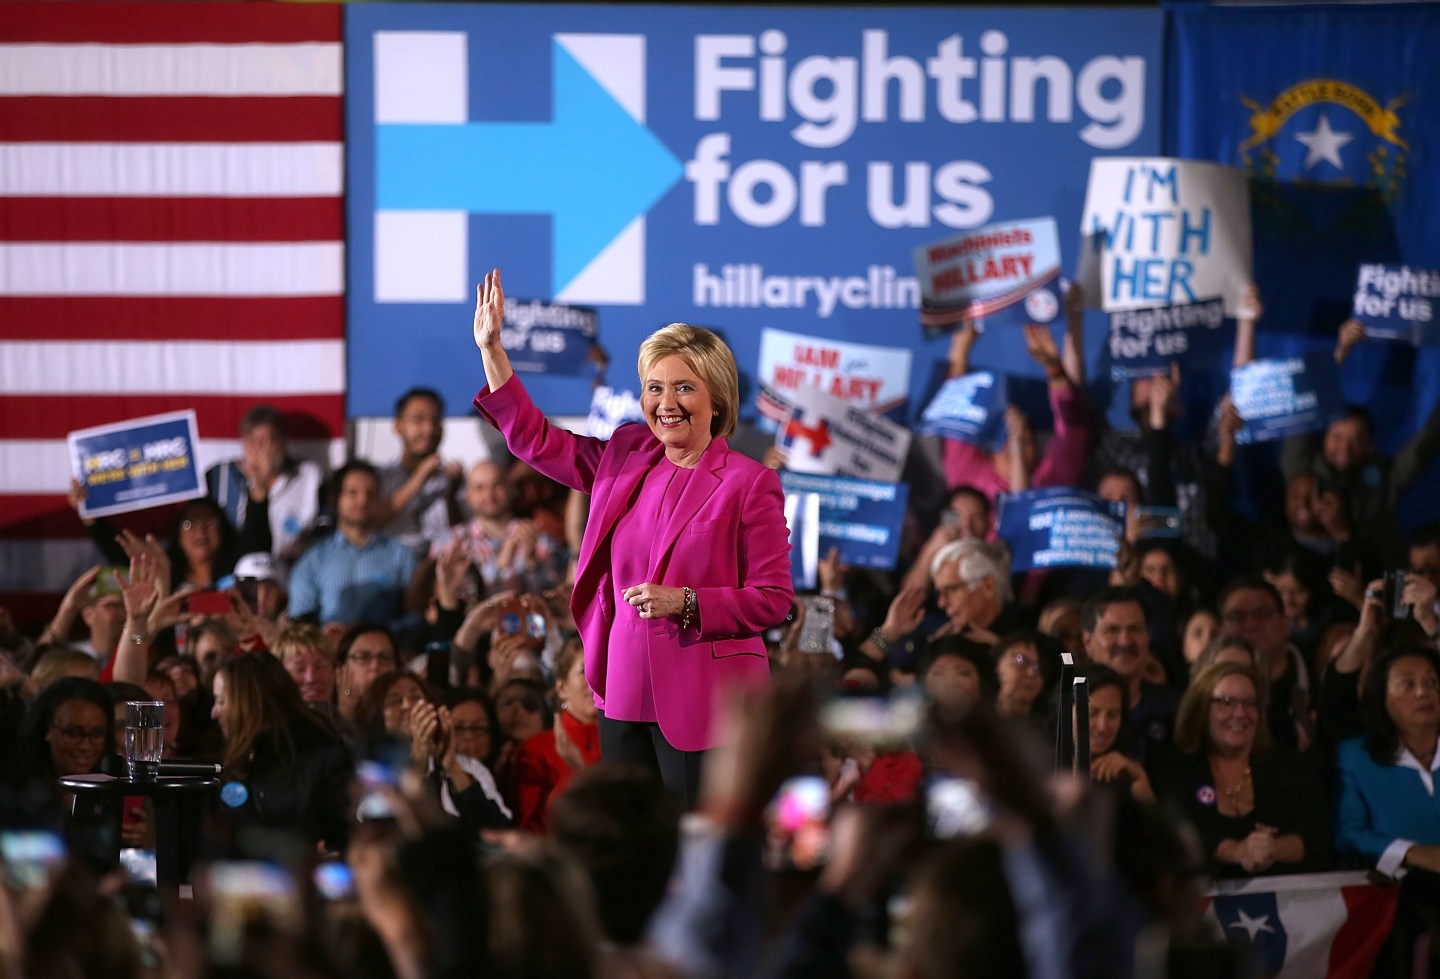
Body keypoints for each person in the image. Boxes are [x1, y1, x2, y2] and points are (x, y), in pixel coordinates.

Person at [472, 268, 793, 805]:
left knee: (692, 847)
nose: (665, 402)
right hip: (622, 689)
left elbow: (774, 600)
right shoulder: (626, 455)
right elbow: (537, 439)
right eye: (654, 387)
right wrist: (492, 350)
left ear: (718, 400)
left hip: (706, 701)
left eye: (684, 387)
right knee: (631, 842)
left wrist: (687, 601)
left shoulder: (749, 482)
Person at [1153, 662, 1330, 877]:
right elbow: (1176, 839)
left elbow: (1319, 835)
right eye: (1226, 702)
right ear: (1202, 709)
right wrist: (1237, 852)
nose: (1240, 713)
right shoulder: (1177, 770)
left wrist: (1275, 849)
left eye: (1249, 703)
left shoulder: (1286, 765)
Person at [1334, 645, 1440, 971]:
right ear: (1382, 698)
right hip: (1401, 903)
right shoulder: (1356, 757)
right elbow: (1348, 834)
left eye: (1433, 682)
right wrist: (1413, 852)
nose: (1424, 692)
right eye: (1407, 684)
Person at [209, 652, 352, 852]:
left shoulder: (325, 756)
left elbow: (343, 838)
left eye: (222, 701)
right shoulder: (230, 759)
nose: (214, 712)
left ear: (249, 703)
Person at [288, 461, 417, 631]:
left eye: (371, 494)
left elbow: (416, 614)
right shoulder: (313, 560)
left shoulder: (400, 555)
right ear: (335, 500)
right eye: (352, 493)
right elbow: (300, 621)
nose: (362, 500)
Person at [205, 404, 325, 564]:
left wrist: (306, 542)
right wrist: (259, 481)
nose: (264, 449)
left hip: (296, 567)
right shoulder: (221, 477)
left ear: (284, 442)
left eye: (270, 440)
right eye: (255, 441)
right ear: (244, 444)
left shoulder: (308, 475)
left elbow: (326, 524)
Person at [509, 638, 601, 832]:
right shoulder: (536, 749)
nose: (597, 679)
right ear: (561, 688)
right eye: (585, 671)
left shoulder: (628, 744)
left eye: (604, 669)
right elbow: (531, 826)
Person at [447, 460, 567, 596]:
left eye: (496, 485)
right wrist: (502, 566)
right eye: (480, 488)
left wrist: (531, 562)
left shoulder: (539, 537)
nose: (489, 495)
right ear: (468, 496)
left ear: (511, 489)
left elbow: (557, 592)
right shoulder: (455, 543)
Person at [378, 387, 465, 559]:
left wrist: (452, 496)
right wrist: (419, 478)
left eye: (435, 420)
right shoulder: (381, 476)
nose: (428, 429)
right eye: (418, 420)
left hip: (441, 567)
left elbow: (466, 532)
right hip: (391, 567)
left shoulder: (454, 477)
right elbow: (373, 520)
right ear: (398, 426)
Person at [1082, 664, 1155, 802]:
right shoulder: (1039, 763)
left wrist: (1139, 777)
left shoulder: (1128, 770)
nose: (1103, 727)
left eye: (1112, 715)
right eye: (1092, 713)